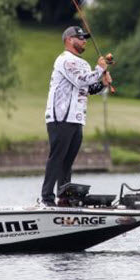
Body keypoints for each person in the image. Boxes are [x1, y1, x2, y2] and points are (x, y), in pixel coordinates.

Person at [41, 25, 112, 206]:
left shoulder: (84, 64)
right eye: (80, 38)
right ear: (69, 40)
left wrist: (103, 84)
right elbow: (81, 79)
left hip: (76, 118)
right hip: (61, 117)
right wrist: (99, 69)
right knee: (57, 157)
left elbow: (87, 89)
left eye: (85, 38)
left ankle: (64, 198)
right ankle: (47, 198)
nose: (84, 40)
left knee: (68, 161)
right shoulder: (65, 60)